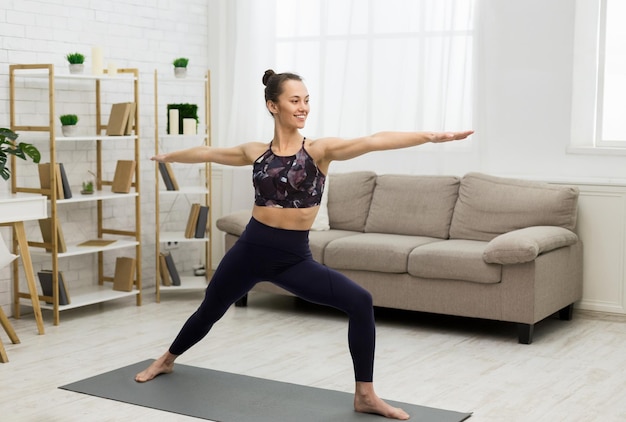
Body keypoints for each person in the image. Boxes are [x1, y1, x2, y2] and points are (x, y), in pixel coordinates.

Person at [136, 69, 473, 420]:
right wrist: (169, 157)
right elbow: (209, 152)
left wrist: (431, 137)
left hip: (292, 259)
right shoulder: (256, 152)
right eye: (295, 100)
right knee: (210, 310)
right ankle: (166, 360)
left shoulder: (318, 151)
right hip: (249, 250)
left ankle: (366, 395)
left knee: (360, 301)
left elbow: (374, 139)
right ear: (273, 105)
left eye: (307, 100)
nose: (303, 107)